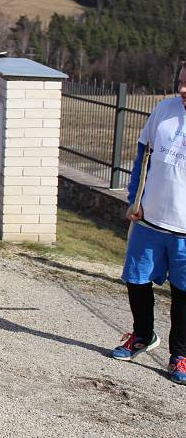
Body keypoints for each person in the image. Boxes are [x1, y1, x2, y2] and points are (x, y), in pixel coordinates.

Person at [109, 65, 186, 386]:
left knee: (183, 293)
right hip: (149, 219)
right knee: (135, 279)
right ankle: (142, 335)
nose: (183, 90)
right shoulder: (164, 110)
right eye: (181, 82)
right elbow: (143, 156)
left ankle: (180, 354)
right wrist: (133, 199)